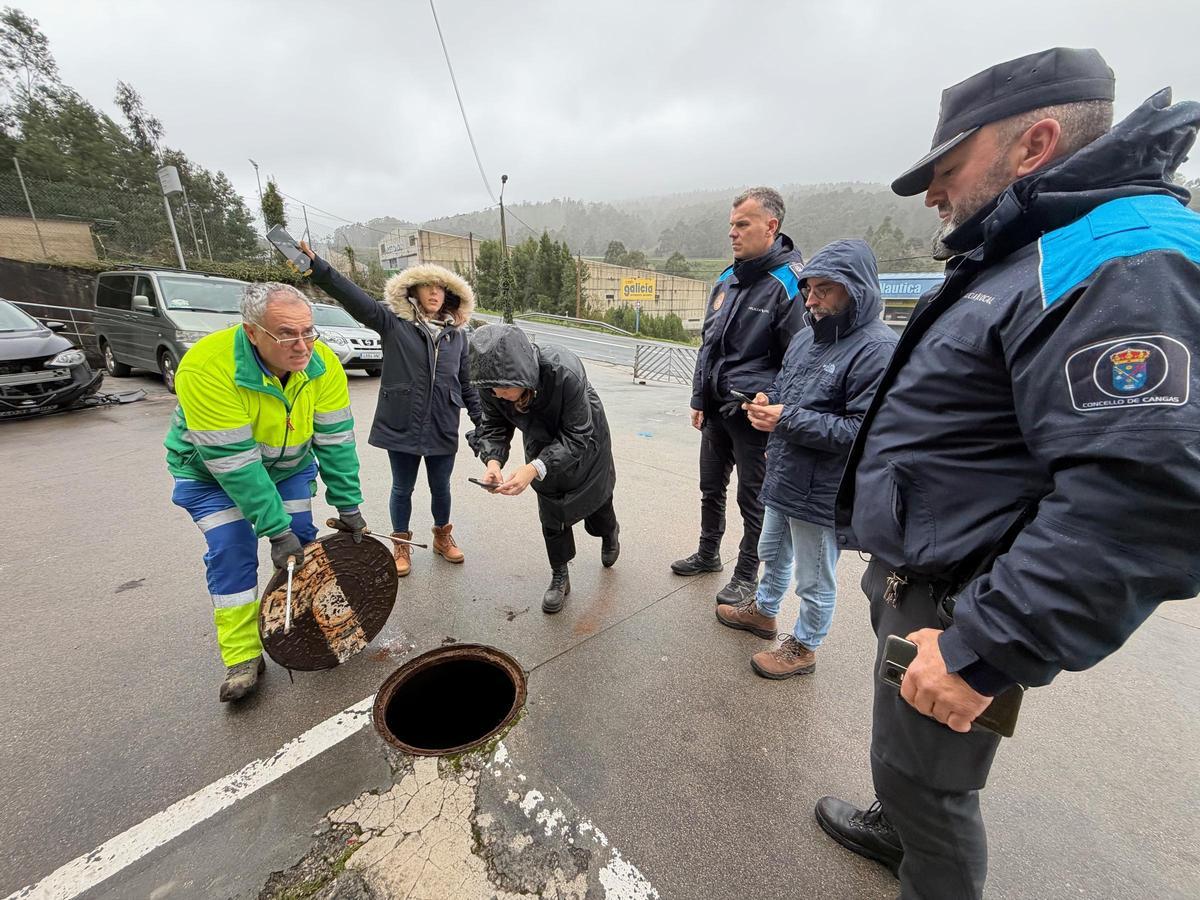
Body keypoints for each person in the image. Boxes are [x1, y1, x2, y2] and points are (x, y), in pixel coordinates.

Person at [815, 48, 1200, 899]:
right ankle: (895, 829)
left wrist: (983, 651)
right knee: (905, 758)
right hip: (927, 575)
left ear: (1034, 144)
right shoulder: (1031, 246)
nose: (933, 193)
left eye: (947, 168)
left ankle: (925, 861)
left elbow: (1145, 501)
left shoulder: (1123, 258)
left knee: (930, 784)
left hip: (968, 602)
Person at [165, 282, 366, 702]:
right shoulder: (207, 367)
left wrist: (348, 504)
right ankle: (242, 656)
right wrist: (275, 530)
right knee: (233, 549)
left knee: (302, 543)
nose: (302, 346)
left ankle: (312, 620)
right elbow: (235, 464)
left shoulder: (322, 363)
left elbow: (335, 439)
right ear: (252, 332)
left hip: (288, 466)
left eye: (308, 332)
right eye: (286, 334)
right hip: (211, 476)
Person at [716, 240, 896, 678]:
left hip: (823, 488)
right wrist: (767, 400)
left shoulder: (876, 349)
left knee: (814, 576)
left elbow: (860, 431)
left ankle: (805, 646)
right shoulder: (805, 337)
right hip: (786, 472)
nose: (811, 300)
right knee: (772, 550)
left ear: (855, 289)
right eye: (809, 289)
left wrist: (786, 418)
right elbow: (785, 389)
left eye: (823, 290)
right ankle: (764, 611)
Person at [300, 244, 482, 574]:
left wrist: (482, 422)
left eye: (440, 288)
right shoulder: (393, 323)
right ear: (413, 291)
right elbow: (355, 299)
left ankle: (442, 537)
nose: (434, 293)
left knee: (441, 487)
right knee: (402, 488)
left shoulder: (457, 337)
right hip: (402, 421)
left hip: (443, 422)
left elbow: (466, 382)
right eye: (427, 286)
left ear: (449, 296)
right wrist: (319, 268)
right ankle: (401, 543)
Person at [671, 187, 806, 606]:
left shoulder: (790, 283)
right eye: (731, 224)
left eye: (742, 224)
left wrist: (772, 402)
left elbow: (799, 360)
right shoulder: (727, 278)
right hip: (716, 409)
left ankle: (747, 574)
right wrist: (699, 398)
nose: (732, 233)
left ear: (771, 226)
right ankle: (708, 553)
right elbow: (708, 345)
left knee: (754, 501)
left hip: (754, 416)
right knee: (710, 488)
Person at [468, 324, 619, 613]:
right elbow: (493, 425)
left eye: (505, 388)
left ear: (523, 374)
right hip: (539, 436)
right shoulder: (493, 387)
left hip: (585, 436)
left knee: (597, 499)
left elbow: (577, 435)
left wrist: (534, 467)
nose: (498, 393)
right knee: (551, 509)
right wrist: (493, 462)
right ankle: (560, 574)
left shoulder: (564, 372)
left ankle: (609, 531)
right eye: (493, 389)